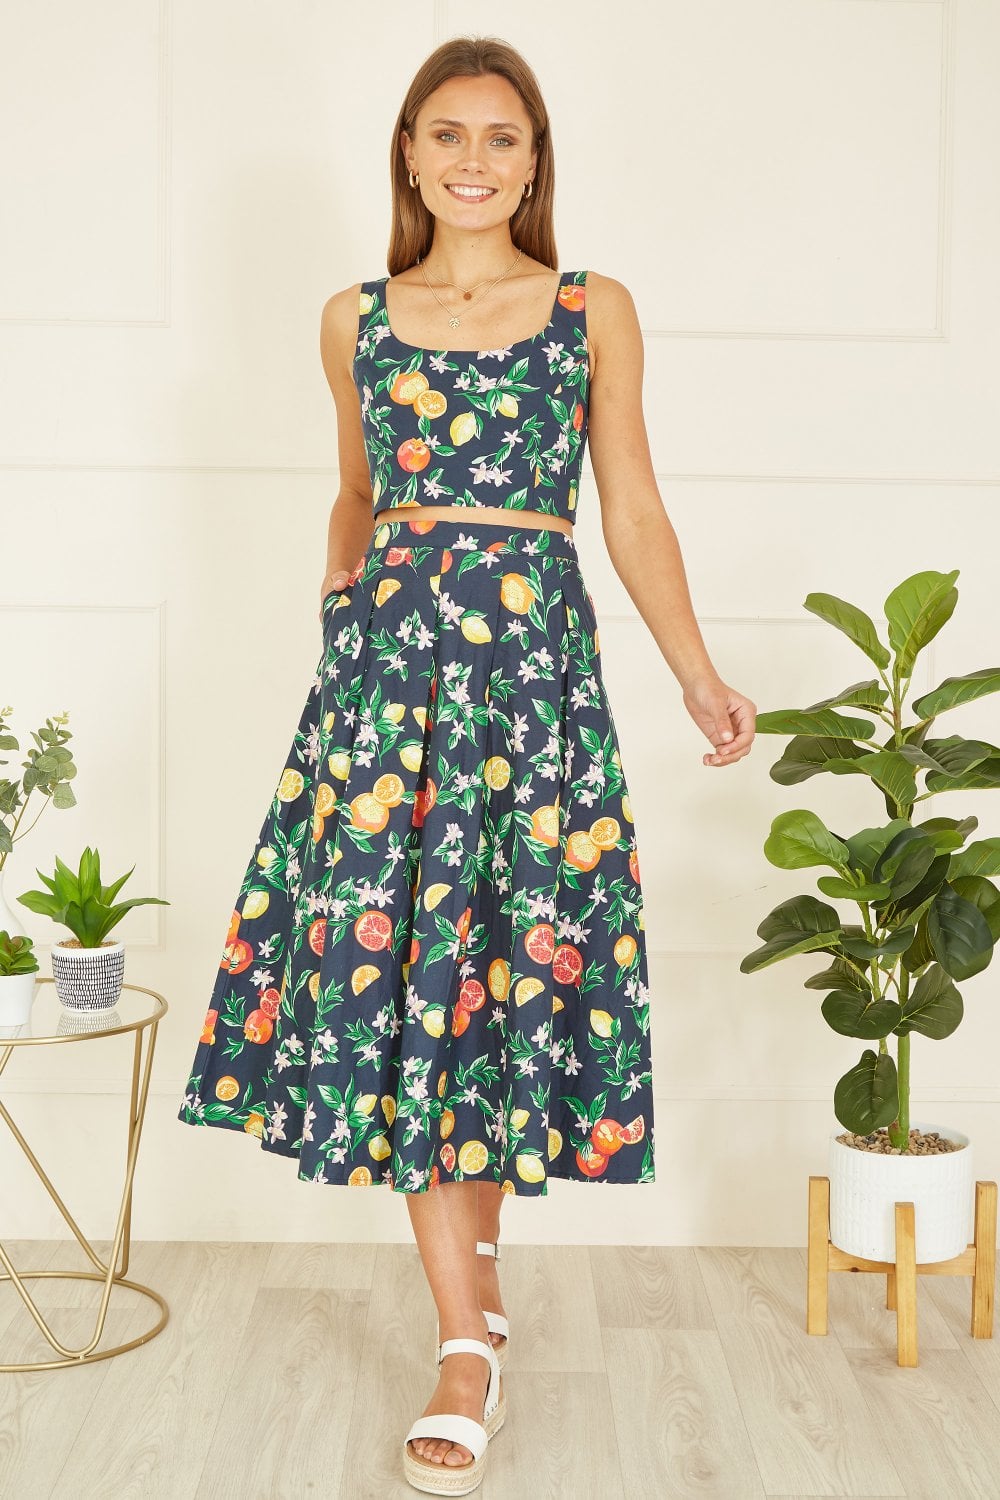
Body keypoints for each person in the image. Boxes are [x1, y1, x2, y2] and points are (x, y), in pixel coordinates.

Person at [178, 33, 755, 1496]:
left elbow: (630, 504)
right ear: (411, 152)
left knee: (492, 979)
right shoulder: (354, 320)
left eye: (504, 138)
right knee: (407, 984)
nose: (477, 161)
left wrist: (696, 673)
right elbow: (356, 493)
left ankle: (479, 1290)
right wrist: (341, 597)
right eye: (451, 134)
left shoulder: (591, 308)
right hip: (388, 693)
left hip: (534, 690)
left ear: (535, 159)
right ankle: (463, 1345)